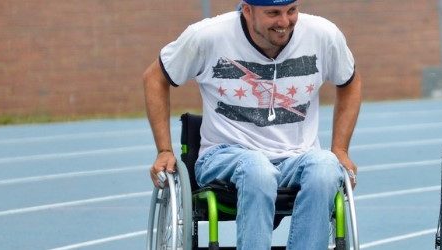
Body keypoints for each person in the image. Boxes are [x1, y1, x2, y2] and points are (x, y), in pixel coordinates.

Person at [143, 0, 361, 248]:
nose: (284, 22)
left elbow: (350, 82)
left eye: (291, 11)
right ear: (247, 11)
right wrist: (164, 150)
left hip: (296, 156)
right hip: (225, 155)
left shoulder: (323, 35)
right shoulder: (208, 36)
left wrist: (340, 149)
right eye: (273, 13)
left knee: (326, 166)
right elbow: (154, 78)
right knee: (257, 168)